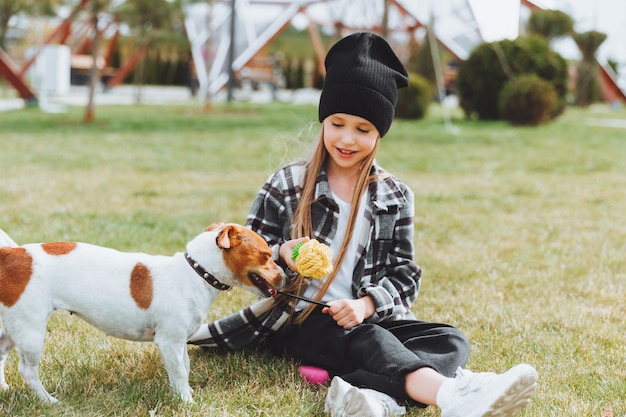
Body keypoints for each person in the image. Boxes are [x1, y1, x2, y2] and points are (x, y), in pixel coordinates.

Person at [189, 32, 538, 417]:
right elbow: (248, 255)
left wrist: (367, 303)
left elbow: (405, 274)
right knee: (367, 338)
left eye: (363, 129)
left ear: (380, 133)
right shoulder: (287, 184)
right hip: (301, 321)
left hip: (366, 315)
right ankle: (451, 397)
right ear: (324, 120)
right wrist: (282, 253)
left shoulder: (395, 195)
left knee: (448, 339)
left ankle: (376, 397)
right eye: (337, 123)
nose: (347, 139)